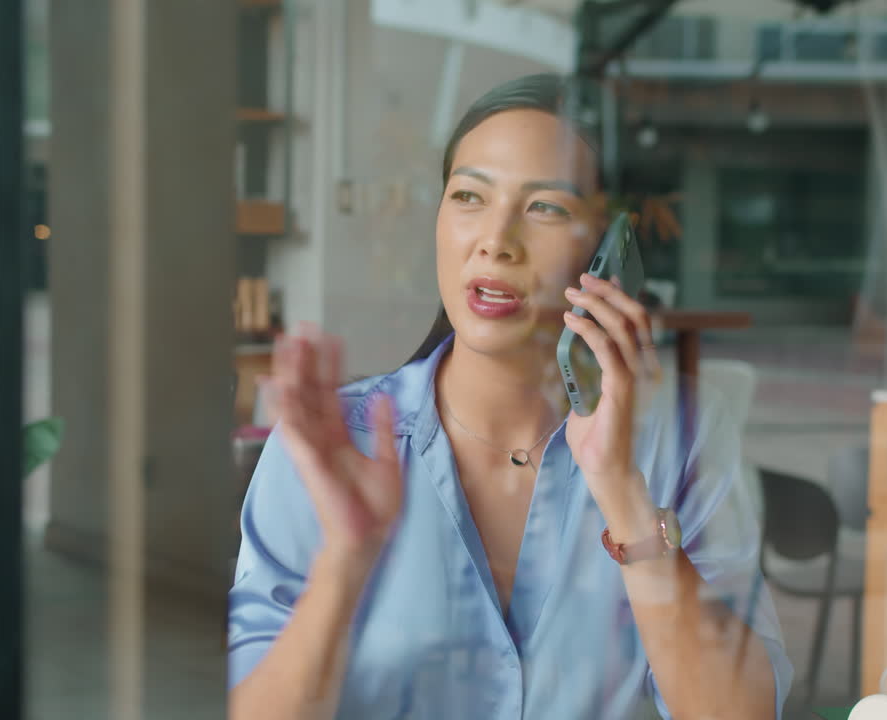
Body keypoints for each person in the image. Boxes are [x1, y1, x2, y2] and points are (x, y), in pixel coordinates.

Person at [227, 73, 792, 719]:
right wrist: (346, 561)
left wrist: (622, 493)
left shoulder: (681, 435)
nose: (496, 239)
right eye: (468, 195)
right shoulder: (331, 441)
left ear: (609, 248)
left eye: (545, 206)